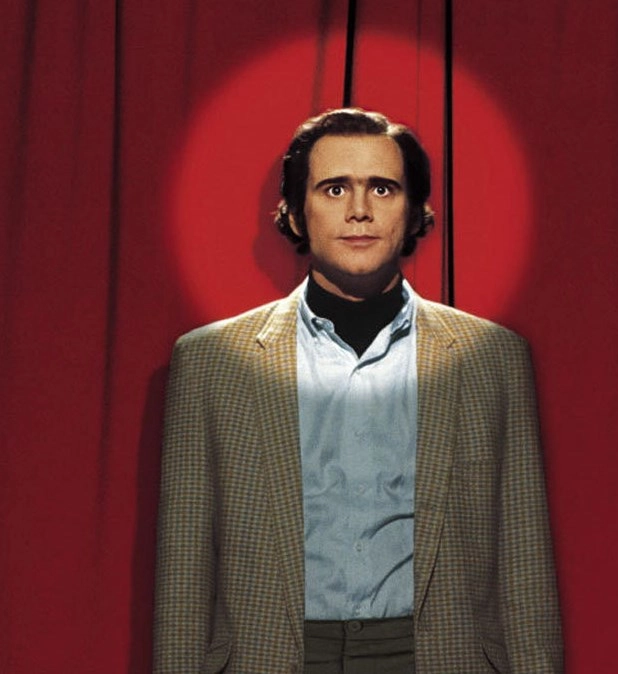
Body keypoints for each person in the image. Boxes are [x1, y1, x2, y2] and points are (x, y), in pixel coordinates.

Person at [153, 108, 563, 673]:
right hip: (271, 657)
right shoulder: (211, 361)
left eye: (382, 188)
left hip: (439, 657)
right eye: (335, 188)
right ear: (295, 213)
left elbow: (524, 564)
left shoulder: (491, 358)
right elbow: (184, 568)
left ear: (414, 210)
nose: (359, 210)